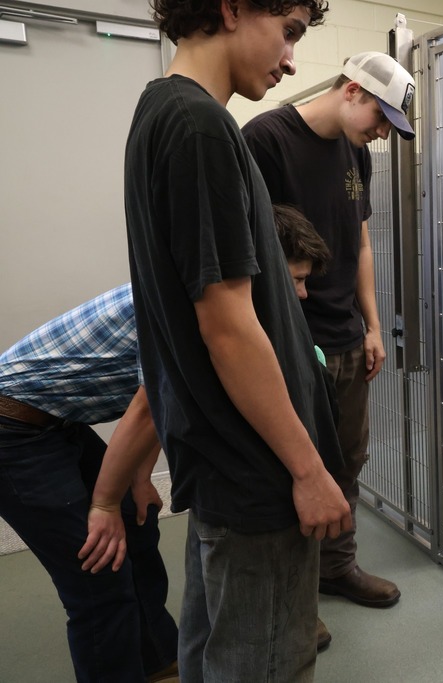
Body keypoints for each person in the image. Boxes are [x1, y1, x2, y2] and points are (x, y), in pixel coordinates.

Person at [123, 1, 349, 681]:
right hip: (258, 478)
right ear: (232, 8)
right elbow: (226, 326)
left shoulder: (166, 115)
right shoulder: (196, 125)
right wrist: (308, 469)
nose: (290, 59)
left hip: (232, 468)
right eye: (288, 32)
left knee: (211, 660)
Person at [242, 50, 416, 612]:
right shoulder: (267, 140)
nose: (383, 134)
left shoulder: (356, 154)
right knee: (293, 467)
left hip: (345, 334)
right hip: (288, 337)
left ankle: (335, 570)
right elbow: (249, 249)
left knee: (346, 460)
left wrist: (371, 324)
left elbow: (360, 244)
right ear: (352, 91)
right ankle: (291, 600)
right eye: (380, 119)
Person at [0, 289, 179, 683]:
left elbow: (159, 395)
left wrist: (139, 477)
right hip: (11, 429)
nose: (304, 294)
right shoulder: (183, 300)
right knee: (97, 571)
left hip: (54, 420)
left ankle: (157, 660)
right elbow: (149, 406)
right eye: (298, 279)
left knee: (136, 524)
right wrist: (104, 505)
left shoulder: (187, 287)